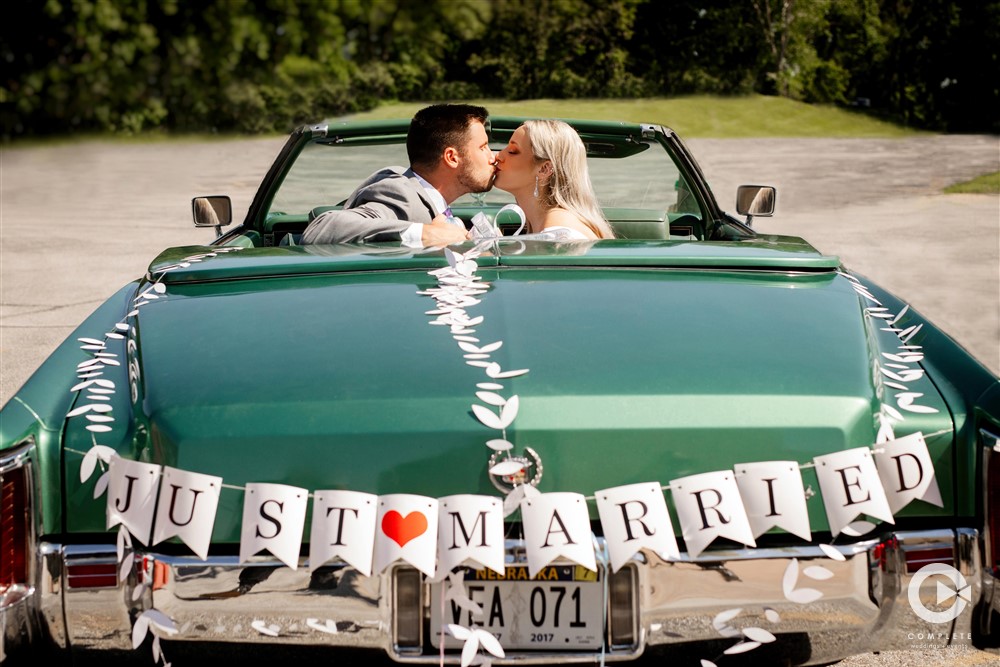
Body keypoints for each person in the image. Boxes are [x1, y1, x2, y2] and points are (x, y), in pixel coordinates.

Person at [300, 104, 495, 246]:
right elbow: (320, 230)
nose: (492, 157)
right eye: (483, 147)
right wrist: (424, 234)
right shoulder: (401, 195)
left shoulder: (431, 200)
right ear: (452, 157)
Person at [492, 119, 614, 240]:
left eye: (512, 151)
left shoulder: (557, 232)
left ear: (544, 169)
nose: (498, 155)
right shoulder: (551, 223)